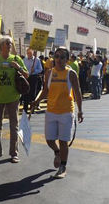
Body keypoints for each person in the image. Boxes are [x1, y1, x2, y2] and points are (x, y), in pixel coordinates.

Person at [31, 47, 83, 179]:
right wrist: (36, 101)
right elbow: (45, 91)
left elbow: (77, 93)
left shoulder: (71, 74)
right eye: (57, 56)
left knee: (63, 141)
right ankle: (57, 152)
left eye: (62, 57)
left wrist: (80, 110)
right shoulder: (49, 73)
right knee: (49, 140)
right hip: (51, 111)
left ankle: (62, 167)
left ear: (67, 60)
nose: (59, 59)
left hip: (66, 112)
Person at [0, 35, 28, 163]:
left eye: (10, 43)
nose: (10, 46)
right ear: (1, 46)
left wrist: (18, 67)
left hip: (13, 97)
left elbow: (27, 75)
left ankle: (14, 153)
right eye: (7, 43)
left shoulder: (16, 59)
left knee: (14, 126)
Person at [22, 48, 43, 113]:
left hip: (33, 77)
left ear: (33, 53)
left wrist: (34, 70)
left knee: (32, 93)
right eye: (28, 53)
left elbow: (40, 69)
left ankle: (32, 108)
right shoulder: (24, 60)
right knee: (25, 92)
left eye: (30, 53)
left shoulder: (37, 60)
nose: (29, 54)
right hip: (26, 77)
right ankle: (25, 109)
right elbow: (22, 68)